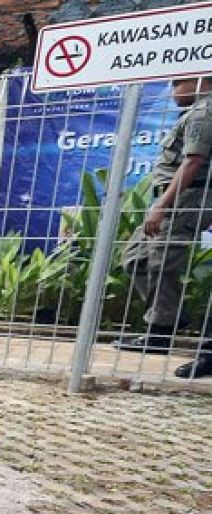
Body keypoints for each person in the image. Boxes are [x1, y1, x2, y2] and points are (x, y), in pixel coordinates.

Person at [116, 76, 212, 374]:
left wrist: (162, 205)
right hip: (174, 199)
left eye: (177, 84)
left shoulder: (203, 113)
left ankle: (160, 332)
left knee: (162, 262)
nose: (173, 93)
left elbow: (193, 162)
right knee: (134, 258)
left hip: (183, 199)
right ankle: (170, 316)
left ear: (199, 82)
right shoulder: (194, 112)